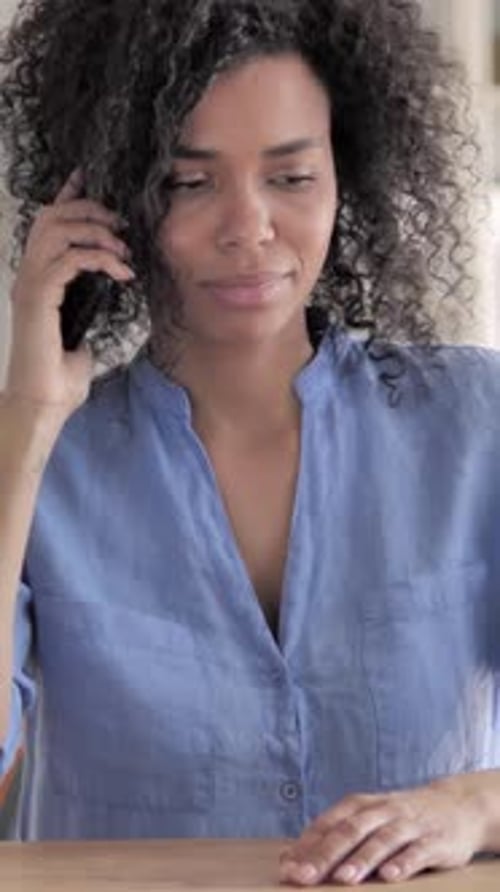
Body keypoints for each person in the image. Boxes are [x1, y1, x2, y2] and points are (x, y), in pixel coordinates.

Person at [0, 0, 499, 884]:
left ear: (347, 179)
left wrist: (476, 806)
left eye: (292, 177)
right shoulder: (41, 459)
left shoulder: (473, 423)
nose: (249, 227)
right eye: (188, 183)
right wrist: (28, 419)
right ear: (111, 202)